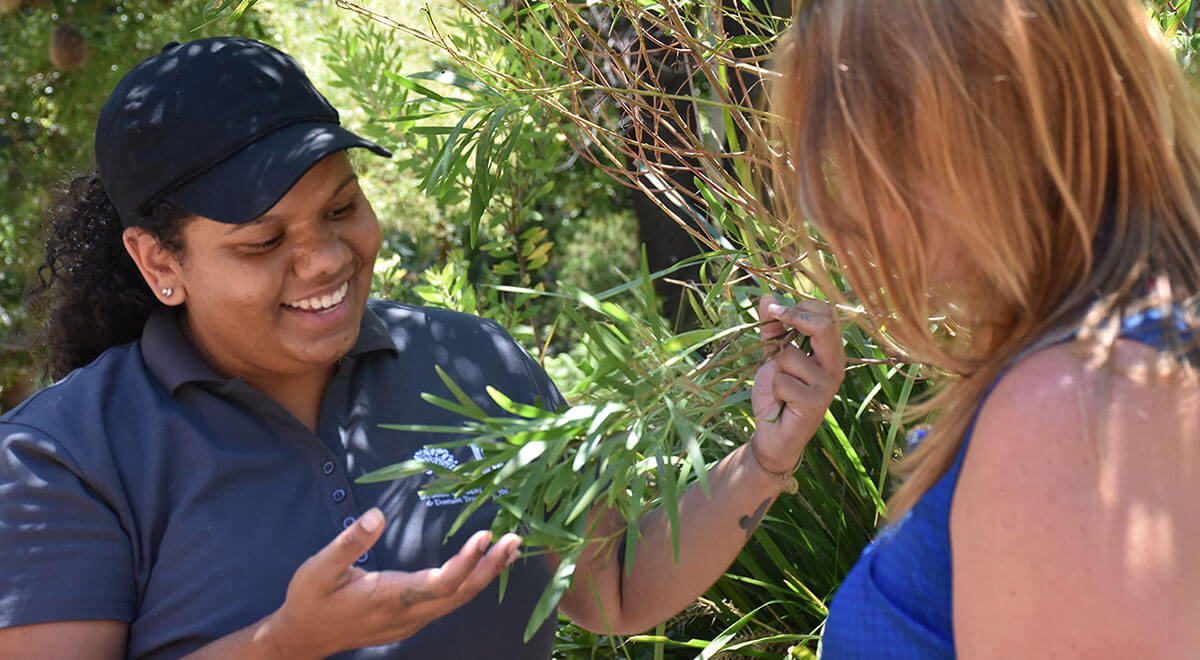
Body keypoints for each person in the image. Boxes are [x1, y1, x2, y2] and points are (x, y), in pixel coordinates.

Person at [0, 37, 844, 658]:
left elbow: (612, 585)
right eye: (264, 242)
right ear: (159, 262)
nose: (327, 257)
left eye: (340, 208)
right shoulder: (63, 456)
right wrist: (282, 643)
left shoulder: (473, 364)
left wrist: (766, 456)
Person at [773, 0, 1200, 657]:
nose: (843, 208)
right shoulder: (1131, 347)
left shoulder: (1071, 414)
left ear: (988, 127)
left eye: (871, 142)